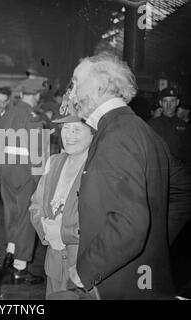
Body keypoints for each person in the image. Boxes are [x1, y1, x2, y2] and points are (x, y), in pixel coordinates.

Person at [65, 54, 176, 299]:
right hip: (138, 279)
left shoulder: (117, 135)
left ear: (101, 86)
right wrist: (155, 243)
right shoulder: (138, 129)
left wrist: (85, 272)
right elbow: (182, 191)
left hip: (117, 284)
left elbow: (131, 223)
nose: (71, 93)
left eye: (75, 83)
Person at [30, 115, 93, 298]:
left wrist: (64, 233)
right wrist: (46, 230)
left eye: (77, 129)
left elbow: (104, 220)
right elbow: (36, 204)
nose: (69, 135)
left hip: (83, 266)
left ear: (92, 134)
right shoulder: (54, 162)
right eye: (66, 128)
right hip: (54, 263)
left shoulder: (98, 167)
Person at [0, 78, 48, 284]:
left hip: (7, 174)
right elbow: (37, 155)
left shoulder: (7, 113)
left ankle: (10, 251)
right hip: (26, 175)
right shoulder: (32, 117)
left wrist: (1, 171)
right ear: (35, 96)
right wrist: (39, 182)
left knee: (11, 214)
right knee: (26, 219)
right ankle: (20, 267)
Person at [149, 87, 191, 171]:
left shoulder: (186, 127)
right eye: (165, 101)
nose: (169, 105)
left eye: (172, 101)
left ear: (177, 102)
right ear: (161, 103)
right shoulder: (151, 125)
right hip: (159, 170)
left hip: (180, 172)